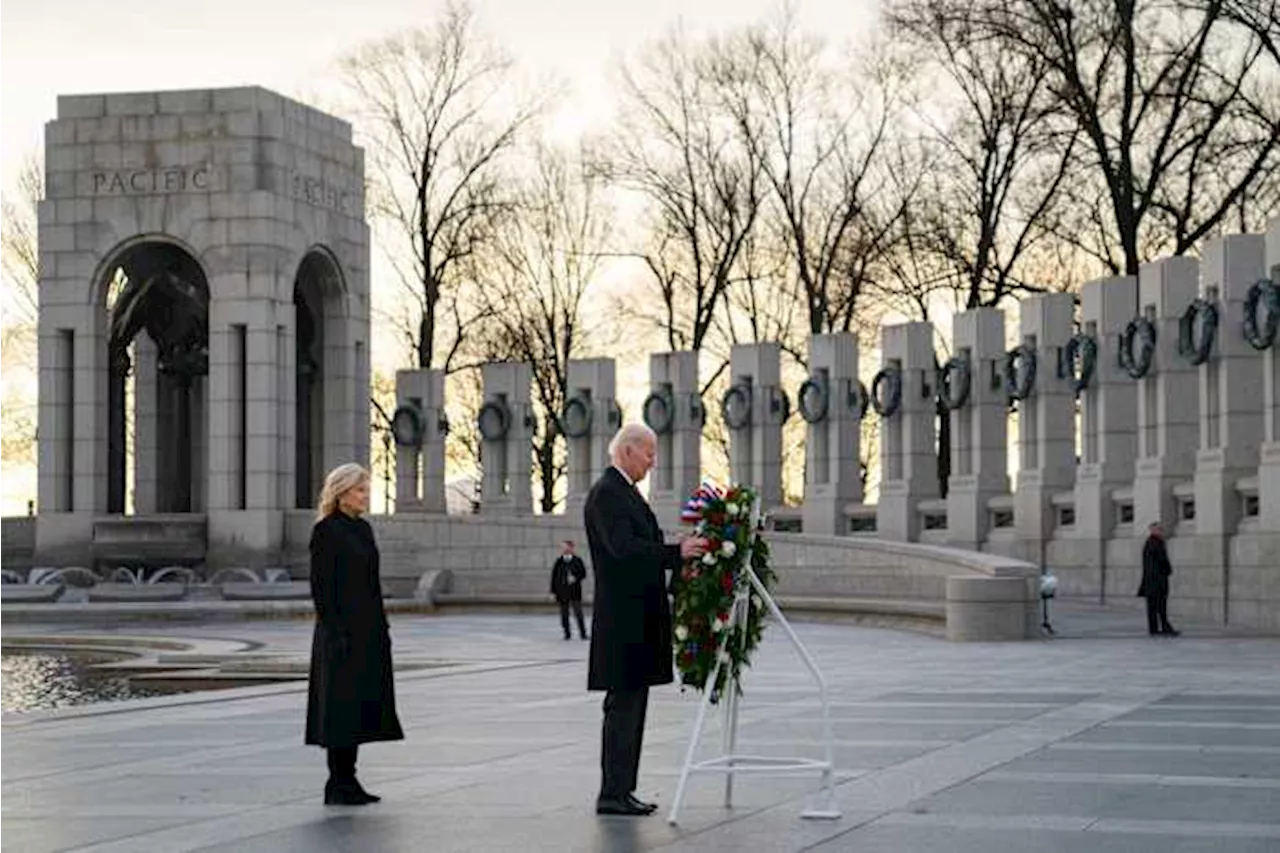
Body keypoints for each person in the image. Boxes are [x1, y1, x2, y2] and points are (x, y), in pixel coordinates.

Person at [584, 423, 709, 817]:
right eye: (649, 454)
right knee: (623, 708)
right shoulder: (608, 494)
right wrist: (676, 553)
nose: (653, 463)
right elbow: (625, 550)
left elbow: (643, 550)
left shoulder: (623, 493)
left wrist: (677, 565)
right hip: (623, 625)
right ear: (627, 451)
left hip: (634, 622)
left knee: (632, 708)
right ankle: (612, 793)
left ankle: (622, 790)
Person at [305, 463, 405, 806]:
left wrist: (382, 627)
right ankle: (338, 781)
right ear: (341, 492)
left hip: (368, 630)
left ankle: (350, 778)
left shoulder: (363, 529)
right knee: (340, 707)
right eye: (360, 490)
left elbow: (371, 584)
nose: (366, 496)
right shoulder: (326, 531)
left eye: (367, 490)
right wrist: (335, 631)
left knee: (360, 704)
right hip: (339, 633)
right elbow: (321, 588)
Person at [1137, 521, 1180, 637]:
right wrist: (1167, 570)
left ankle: (1155, 628)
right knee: (1159, 606)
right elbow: (1162, 561)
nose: (1160, 531)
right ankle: (1162, 627)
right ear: (1152, 530)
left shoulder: (1151, 543)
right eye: (1158, 529)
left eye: (1161, 529)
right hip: (1156, 581)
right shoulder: (1155, 543)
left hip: (1152, 581)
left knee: (1154, 607)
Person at [551, 539, 589, 640]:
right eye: (562, 547)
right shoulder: (559, 561)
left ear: (571, 548)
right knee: (564, 614)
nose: (563, 549)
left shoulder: (577, 560)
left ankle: (583, 633)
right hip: (562, 592)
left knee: (578, 613)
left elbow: (583, 574)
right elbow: (554, 577)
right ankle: (567, 633)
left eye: (565, 546)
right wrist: (553, 591)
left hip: (574, 591)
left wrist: (576, 578)